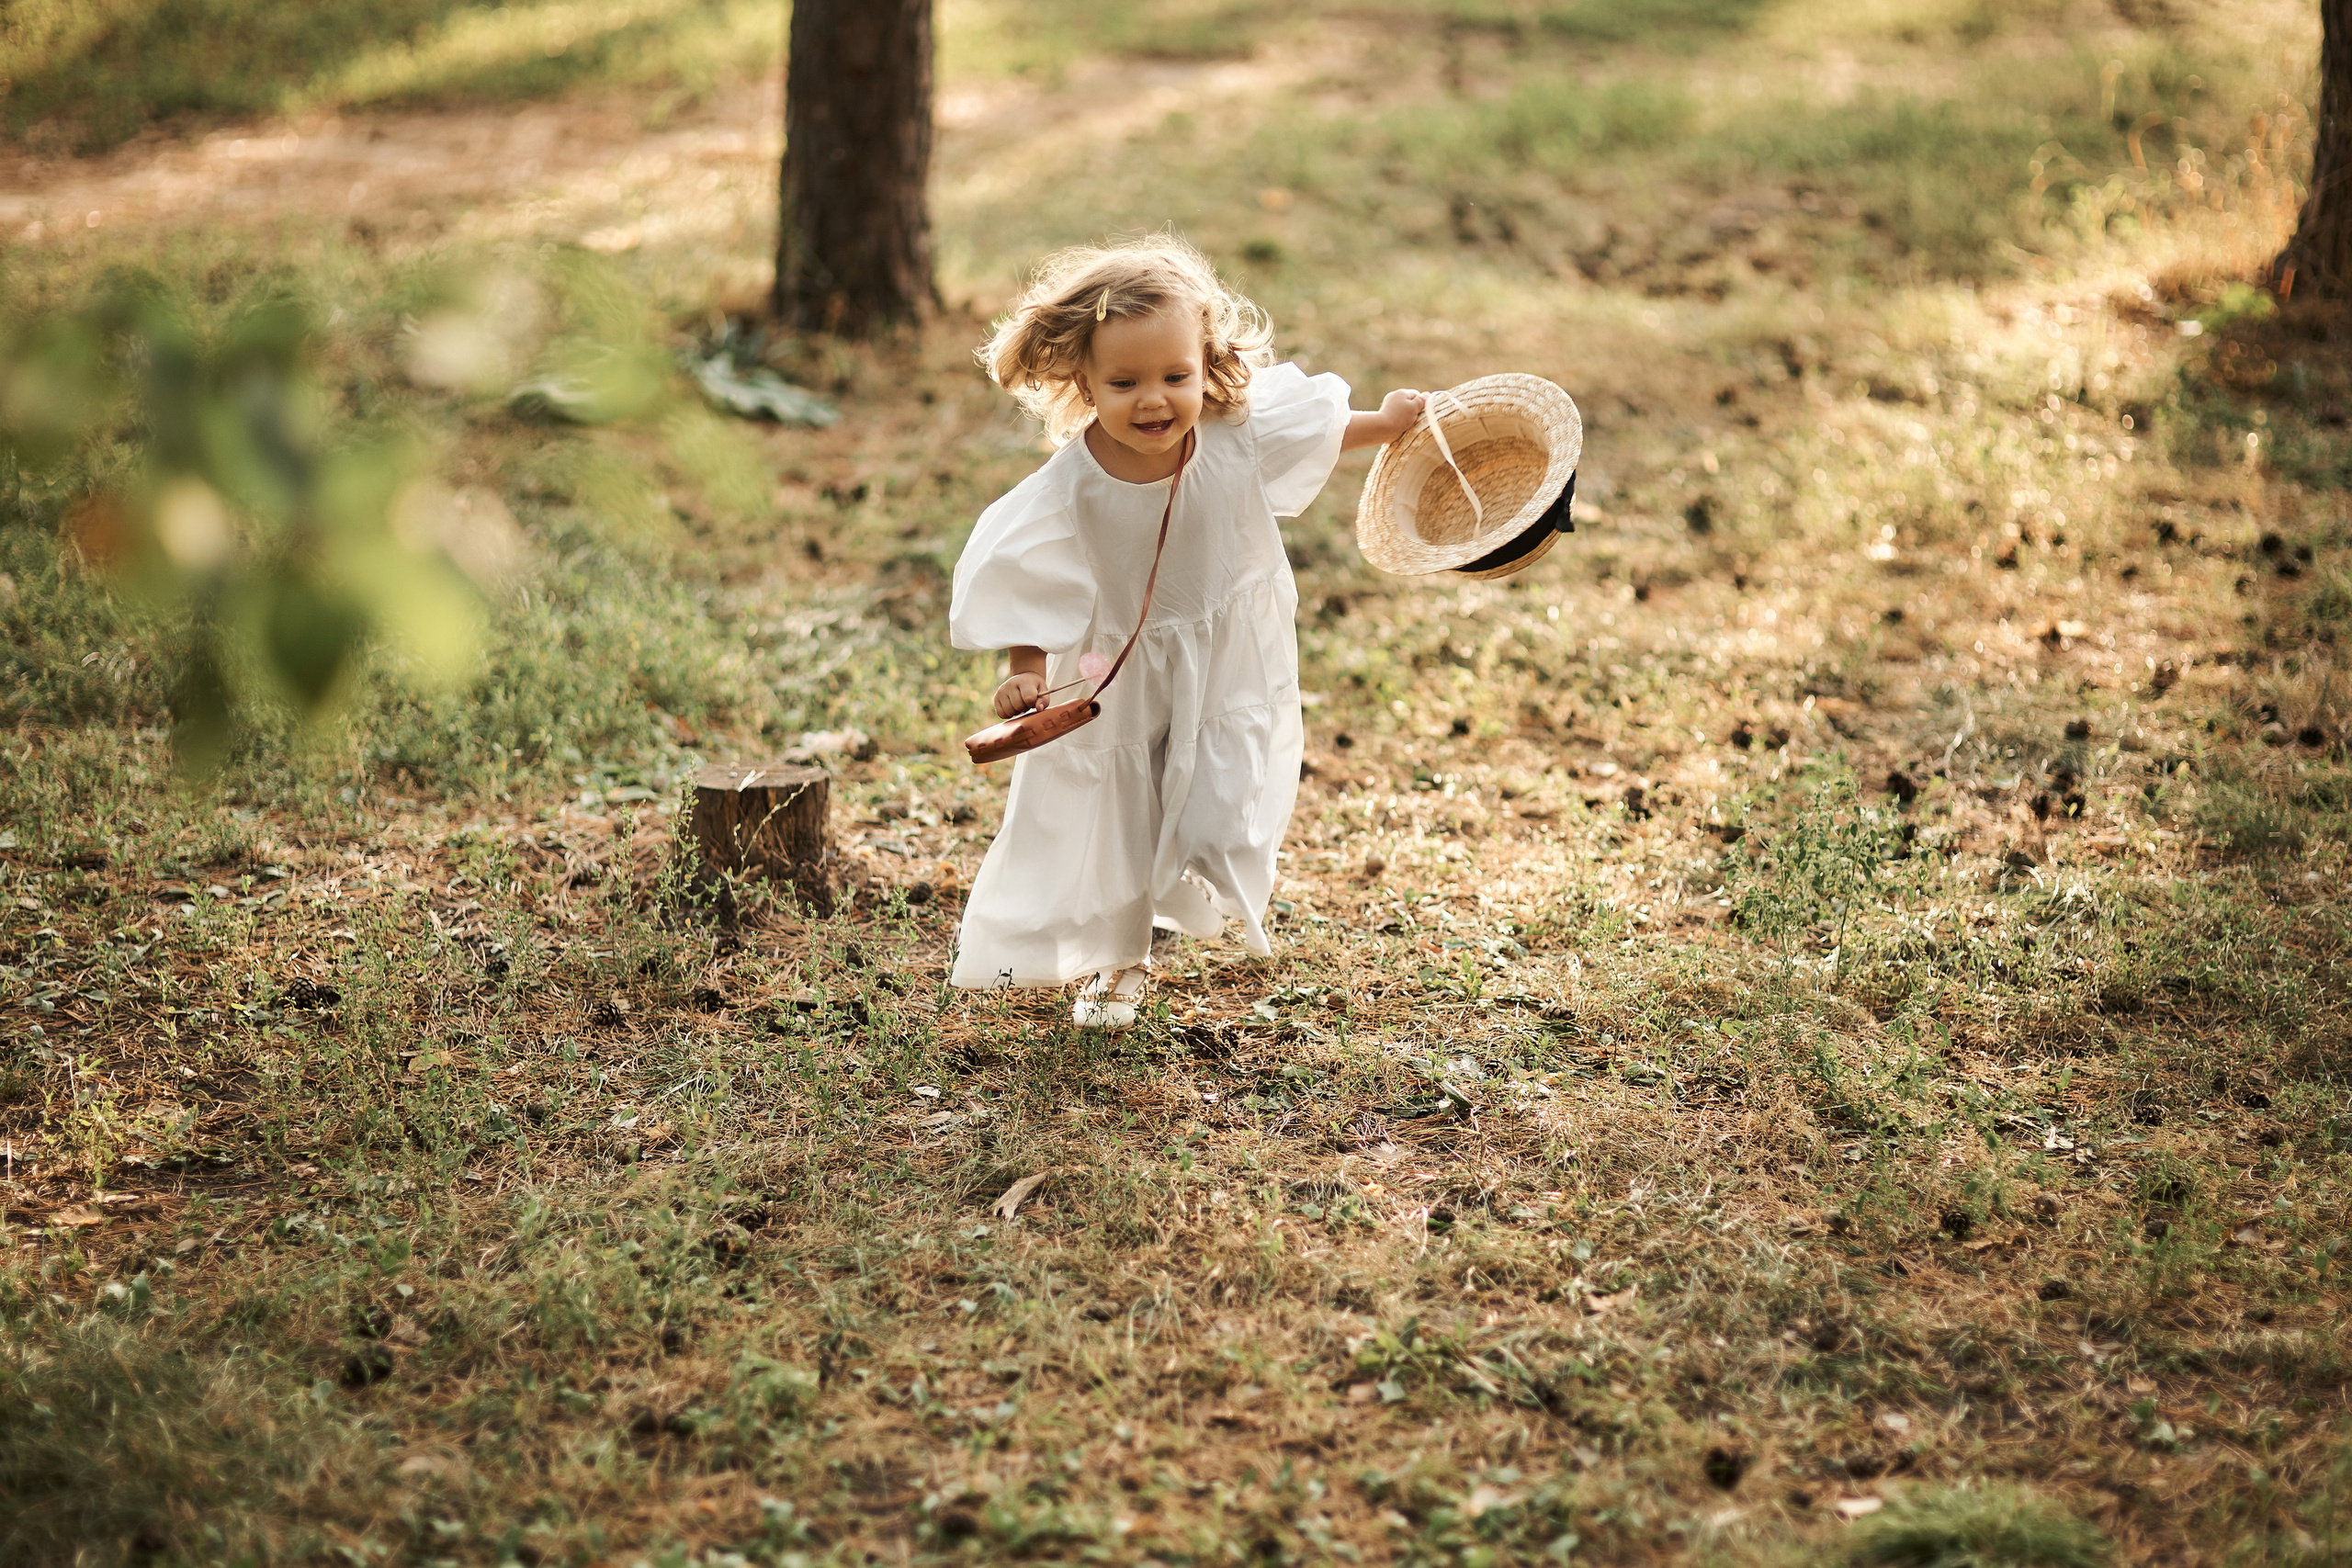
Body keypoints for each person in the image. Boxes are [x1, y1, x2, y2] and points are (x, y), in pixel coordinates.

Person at [948, 235, 1425, 1026]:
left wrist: (1387, 420)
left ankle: (1196, 876)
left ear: (1206, 362)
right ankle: (1121, 959)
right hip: (1119, 672)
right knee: (1122, 815)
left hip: (1224, 653)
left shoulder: (1236, 432)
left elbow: (1322, 434)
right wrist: (1026, 667)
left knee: (1218, 800)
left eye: (1176, 376)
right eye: (1124, 382)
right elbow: (1030, 577)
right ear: (1084, 381)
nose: (1154, 400)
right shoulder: (1071, 486)